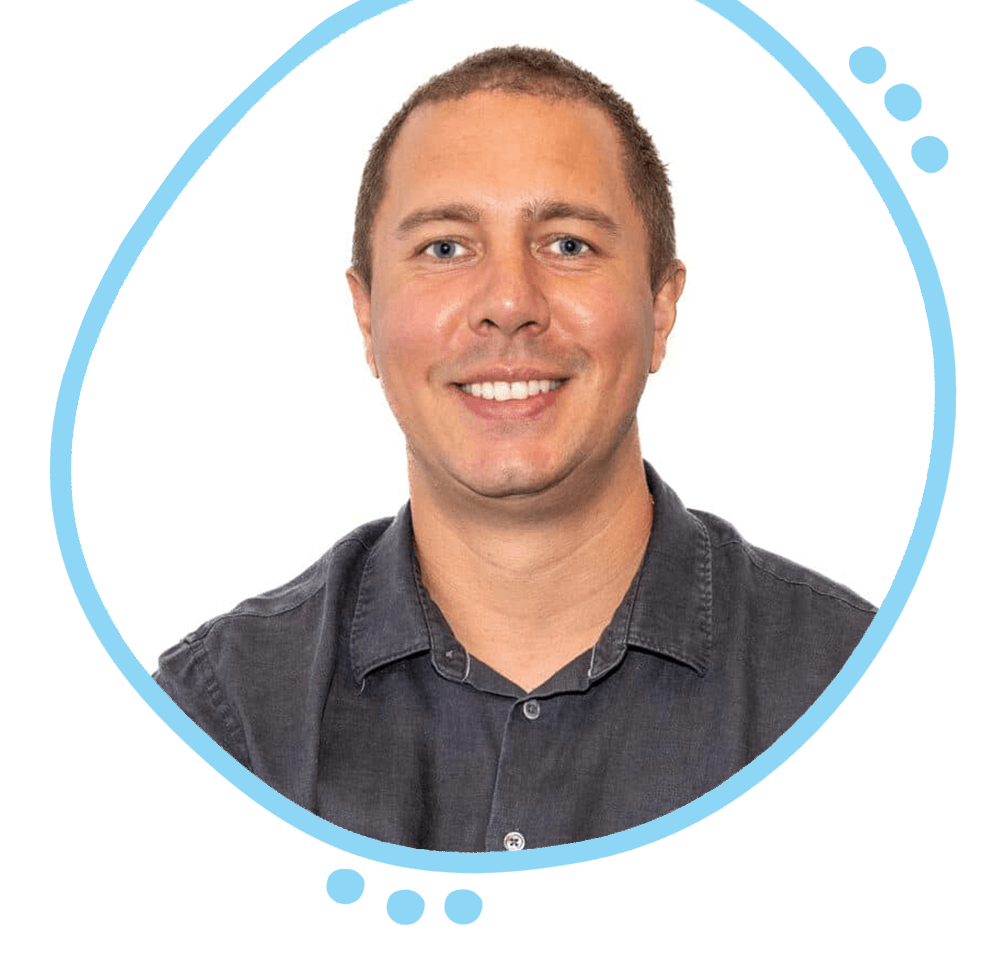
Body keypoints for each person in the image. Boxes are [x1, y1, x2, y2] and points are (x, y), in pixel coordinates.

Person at [153, 46, 876, 852]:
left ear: (660, 310)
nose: (507, 304)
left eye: (566, 244)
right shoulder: (225, 720)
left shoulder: (839, 680)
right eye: (445, 248)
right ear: (366, 317)